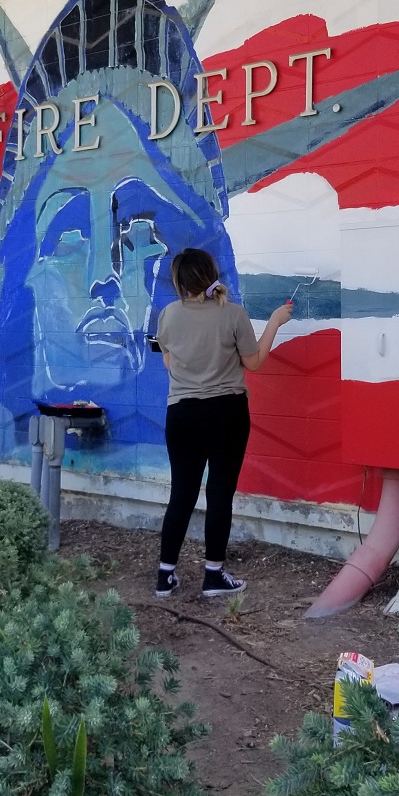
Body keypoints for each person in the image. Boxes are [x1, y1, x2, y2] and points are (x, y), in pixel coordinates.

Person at [154, 248, 292, 598]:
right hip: (226, 414)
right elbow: (255, 362)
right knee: (219, 495)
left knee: (181, 494)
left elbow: (170, 363)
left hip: (182, 414)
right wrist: (275, 321)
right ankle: (213, 575)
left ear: (179, 281)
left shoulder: (168, 315)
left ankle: (165, 576)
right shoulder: (233, 315)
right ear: (210, 275)